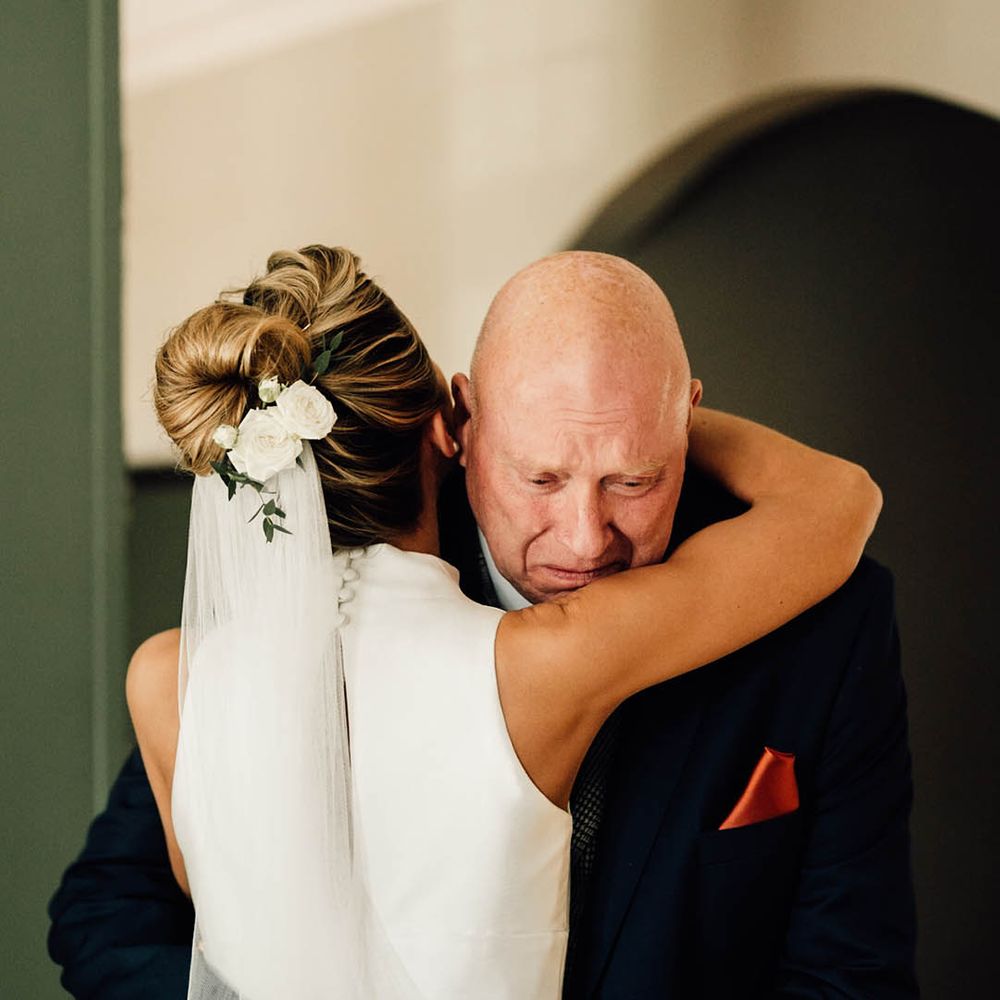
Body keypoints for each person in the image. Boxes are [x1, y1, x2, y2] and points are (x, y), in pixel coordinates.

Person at [45, 248, 906, 999]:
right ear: (455, 424)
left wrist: (605, 409)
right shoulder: (537, 663)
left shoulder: (172, 676)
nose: (585, 537)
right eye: (540, 477)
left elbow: (849, 977)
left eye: (634, 479)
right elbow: (109, 913)